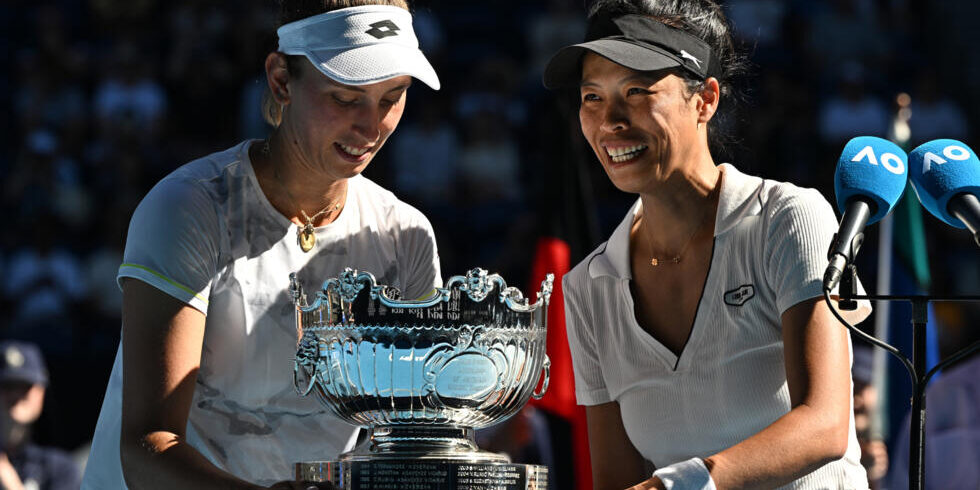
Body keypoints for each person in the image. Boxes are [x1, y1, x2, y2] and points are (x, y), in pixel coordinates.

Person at [81, 1, 442, 489]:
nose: (371, 125)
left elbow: (411, 439)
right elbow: (150, 448)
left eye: (392, 97)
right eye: (344, 97)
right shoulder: (189, 207)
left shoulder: (408, 237)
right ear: (280, 79)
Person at [542, 1, 872, 488]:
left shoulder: (788, 217)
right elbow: (616, 479)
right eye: (592, 97)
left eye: (636, 91)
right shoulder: (585, 288)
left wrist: (680, 484)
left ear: (706, 100)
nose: (610, 120)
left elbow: (824, 425)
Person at [0, 340, 82, 490]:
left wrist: (10, 484)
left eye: (25, 388)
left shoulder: (59, 469)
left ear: (41, 394)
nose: (15, 396)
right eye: (7, 387)